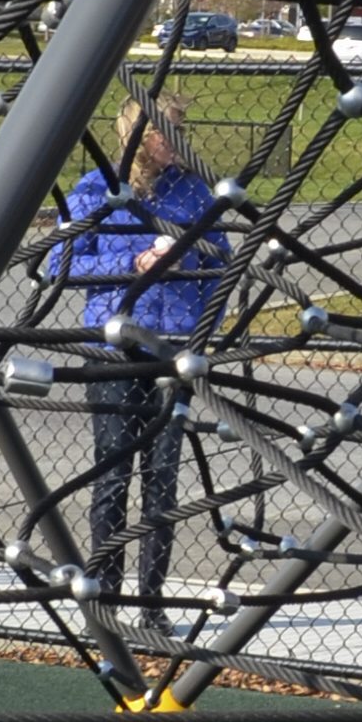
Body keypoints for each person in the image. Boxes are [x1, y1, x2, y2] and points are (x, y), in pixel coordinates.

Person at [46, 96, 228, 633]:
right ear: (136, 135)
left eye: (178, 129)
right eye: (165, 131)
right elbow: (61, 263)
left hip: (174, 346)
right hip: (114, 348)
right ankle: (103, 600)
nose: (176, 140)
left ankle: (151, 604)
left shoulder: (195, 193)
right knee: (112, 475)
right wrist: (134, 261)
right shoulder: (95, 191)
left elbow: (221, 262)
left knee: (162, 478)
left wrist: (200, 314)